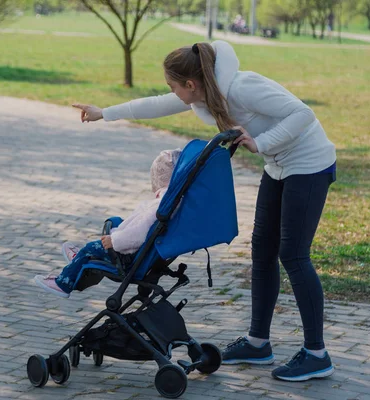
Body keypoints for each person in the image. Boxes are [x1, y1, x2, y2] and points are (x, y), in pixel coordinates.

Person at [72, 40, 336, 382]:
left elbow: (303, 113)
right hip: (279, 167)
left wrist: (262, 143)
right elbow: (155, 105)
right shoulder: (203, 96)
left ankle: (317, 353)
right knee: (263, 250)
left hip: (310, 164)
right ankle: (258, 343)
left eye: (174, 86)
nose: (172, 93)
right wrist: (104, 112)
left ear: (191, 84)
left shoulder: (243, 86)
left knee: (294, 255)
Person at [34, 149, 181, 298]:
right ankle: (81, 259)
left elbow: (139, 234)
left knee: (90, 248)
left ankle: (64, 283)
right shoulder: (172, 202)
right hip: (137, 249)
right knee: (115, 221)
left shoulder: (160, 207)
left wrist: (115, 241)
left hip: (126, 255)